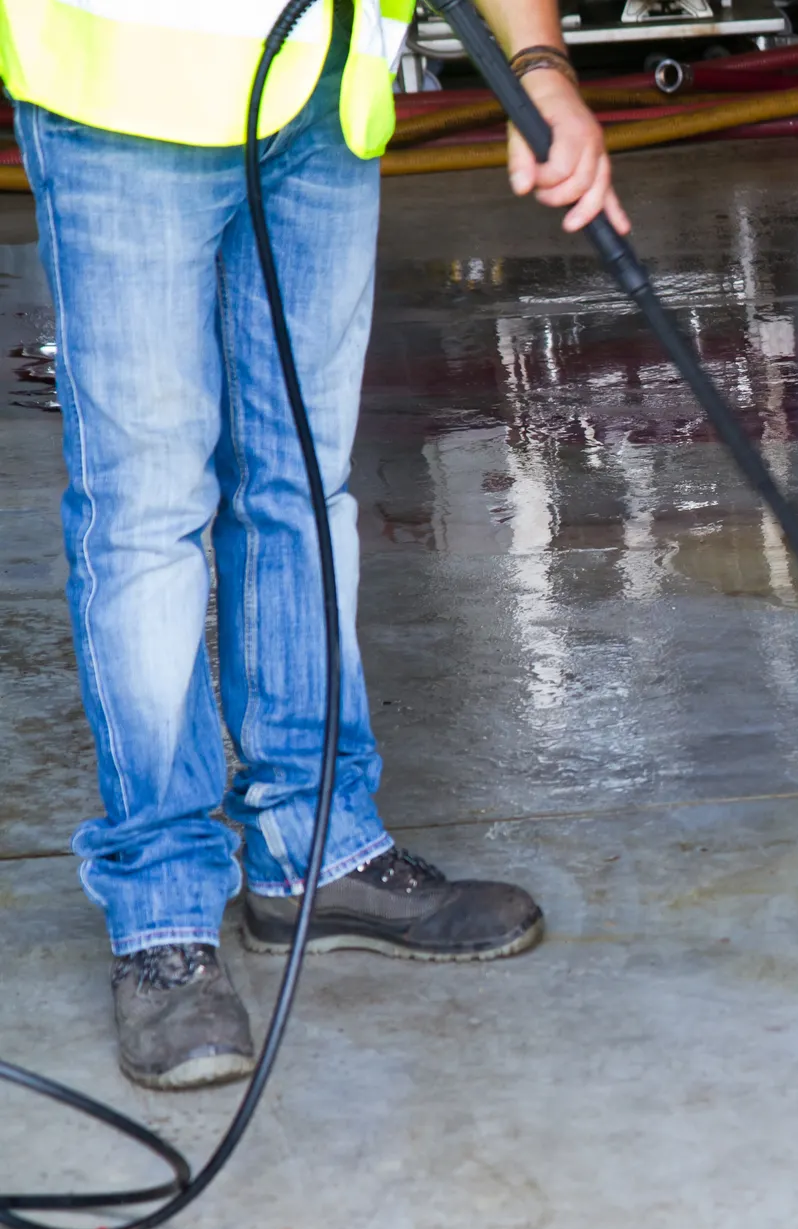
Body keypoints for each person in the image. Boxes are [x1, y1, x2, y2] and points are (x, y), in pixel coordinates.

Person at [0, 0, 630, 1089]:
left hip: (327, 88)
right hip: (129, 85)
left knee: (302, 484)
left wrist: (538, 63)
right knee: (148, 509)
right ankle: (161, 915)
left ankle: (316, 851)